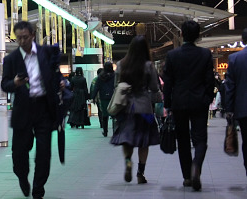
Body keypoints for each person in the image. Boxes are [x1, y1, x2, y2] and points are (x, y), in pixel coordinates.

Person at [2, 21, 66, 199]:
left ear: (32, 35)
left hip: (44, 108)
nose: (21, 41)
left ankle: (39, 190)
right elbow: (4, 84)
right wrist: (14, 83)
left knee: (44, 153)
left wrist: (60, 82)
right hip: (23, 110)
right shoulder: (11, 59)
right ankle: (22, 177)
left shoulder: (46, 53)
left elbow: (56, 73)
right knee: (19, 154)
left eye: (25, 37)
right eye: (18, 38)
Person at [162, 19, 214, 190]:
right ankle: (196, 165)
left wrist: (168, 103)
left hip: (179, 103)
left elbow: (168, 83)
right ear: (198, 36)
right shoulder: (206, 54)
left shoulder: (172, 55)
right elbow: (209, 81)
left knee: (183, 140)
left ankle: (187, 177)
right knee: (200, 139)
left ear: (181, 34)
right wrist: (207, 98)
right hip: (199, 102)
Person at [110, 35, 160, 185]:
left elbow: (116, 85)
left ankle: (127, 161)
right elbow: (154, 88)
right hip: (145, 109)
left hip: (126, 108)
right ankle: (140, 173)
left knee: (127, 138)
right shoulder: (148, 66)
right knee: (144, 141)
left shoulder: (120, 64)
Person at [223, 27, 247, 177]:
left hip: (243, 109)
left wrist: (229, 109)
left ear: (243, 41)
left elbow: (230, 87)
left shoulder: (235, 59)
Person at [91, 62, 116, 137]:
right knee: (114, 115)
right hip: (113, 97)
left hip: (103, 97)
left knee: (105, 115)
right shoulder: (115, 75)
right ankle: (115, 131)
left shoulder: (100, 76)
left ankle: (105, 131)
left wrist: (93, 97)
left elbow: (96, 87)